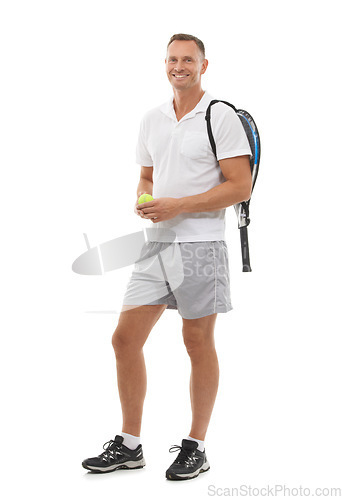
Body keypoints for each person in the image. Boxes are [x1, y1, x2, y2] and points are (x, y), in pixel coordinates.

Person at [82, 33, 252, 481]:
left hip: (201, 245)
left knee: (197, 344)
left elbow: (240, 186)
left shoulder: (221, 116)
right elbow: (145, 175)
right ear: (165, 65)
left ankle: (196, 446)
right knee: (124, 340)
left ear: (204, 65)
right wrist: (144, 197)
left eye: (188, 59)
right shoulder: (152, 119)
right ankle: (131, 445)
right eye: (173, 59)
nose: (180, 66)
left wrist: (179, 205)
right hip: (155, 244)